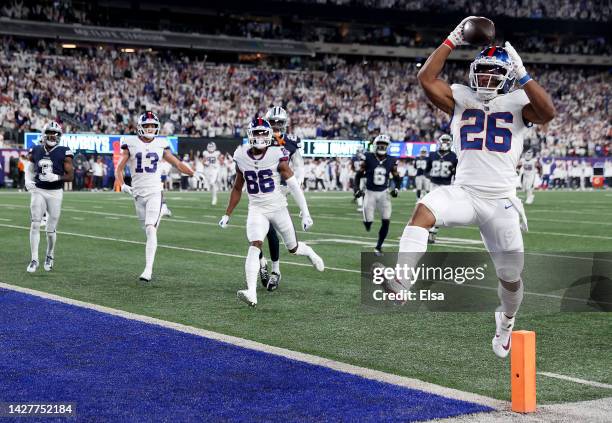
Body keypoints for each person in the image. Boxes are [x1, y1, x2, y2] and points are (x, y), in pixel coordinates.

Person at [400, 17, 555, 358]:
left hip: (501, 202)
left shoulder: (518, 101)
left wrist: (523, 72)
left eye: (493, 73)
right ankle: (403, 276)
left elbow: (548, 113)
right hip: (466, 192)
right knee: (424, 210)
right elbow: (426, 78)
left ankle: (506, 322)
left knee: (511, 277)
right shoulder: (460, 97)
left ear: (506, 76)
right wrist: (453, 37)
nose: (485, 78)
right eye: (481, 71)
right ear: (473, 71)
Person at [219, 118, 324, 307]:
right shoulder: (241, 155)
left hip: (278, 208)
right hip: (256, 209)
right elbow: (237, 187)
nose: (259, 136)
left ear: (268, 135)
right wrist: (227, 214)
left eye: (262, 133)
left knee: (293, 248)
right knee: (255, 244)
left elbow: (293, 185)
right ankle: (251, 292)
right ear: (250, 135)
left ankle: (310, 253)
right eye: (256, 133)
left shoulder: (277, 153)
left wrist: (305, 212)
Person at [115, 111, 205, 282]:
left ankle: (148, 270)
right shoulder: (130, 143)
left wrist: (193, 173)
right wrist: (123, 185)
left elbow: (177, 163)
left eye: (152, 126)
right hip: (138, 193)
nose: (150, 128)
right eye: (147, 125)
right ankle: (163, 210)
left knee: (150, 229)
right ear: (140, 127)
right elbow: (119, 168)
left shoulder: (161, 144)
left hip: (155, 191)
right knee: (146, 229)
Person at [257, 106, 305, 291]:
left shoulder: (291, 142)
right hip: (262, 189)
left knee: (271, 231)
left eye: (279, 123)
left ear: (285, 124)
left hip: (280, 191)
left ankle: (274, 270)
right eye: (273, 122)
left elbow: (299, 166)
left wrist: (296, 184)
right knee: (258, 231)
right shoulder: (260, 138)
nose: (276, 126)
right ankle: (263, 264)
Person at [25, 121, 74, 273]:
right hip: (39, 189)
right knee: (34, 223)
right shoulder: (36, 149)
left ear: (59, 136)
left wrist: (57, 178)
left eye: (55, 133)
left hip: (55, 192)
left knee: (50, 229)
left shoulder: (64, 151)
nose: (52, 136)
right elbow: (30, 167)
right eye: (49, 133)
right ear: (44, 134)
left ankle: (50, 254)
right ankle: (34, 259)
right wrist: (27, 180)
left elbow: (71, 176)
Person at [354, 134, 401, 255]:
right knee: (368, 222)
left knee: (386, 220)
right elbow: (358, 175)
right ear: (375, 145)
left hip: (384, 193)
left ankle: (378, 247)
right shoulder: (368, 157)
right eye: (380, 143)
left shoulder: (391, 160)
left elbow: (397, 177)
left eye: (384, 144)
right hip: (369, 193)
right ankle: (368, 224)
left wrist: (396, 189)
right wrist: (356, 189)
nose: (382, 146)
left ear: (388, 146)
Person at [425, 134, 457, 243]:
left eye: (446, 142)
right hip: (433, 184)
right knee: (430, 209)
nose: (444, 144)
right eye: (443, 141)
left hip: (446, 186)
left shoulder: (453, 156)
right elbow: (426, 169)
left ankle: (433, 232)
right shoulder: (432, 155)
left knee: (441, 211)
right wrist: (428, 176)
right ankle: (428, 231)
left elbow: (457, 172)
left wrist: (453, 172)